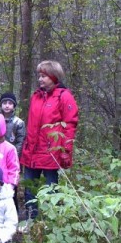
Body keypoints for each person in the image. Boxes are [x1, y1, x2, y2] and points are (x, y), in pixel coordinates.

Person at [20, 60, 79, 219]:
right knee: (30, 189)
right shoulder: (36, 96)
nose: (40, 79)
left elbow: (70, 125)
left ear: (54, 77)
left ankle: (49, 223)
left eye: (44, 76)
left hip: (50, 153)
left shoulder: (64, 96)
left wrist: (66, 151)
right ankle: (31, 221)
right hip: (32, 151)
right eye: (39, 75)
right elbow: (32, 124)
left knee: (50, 190)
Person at [0, 92, 26, 158]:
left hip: (11, 155)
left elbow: (20, 143)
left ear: (14, 106)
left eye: (10, 103)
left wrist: (14, 156)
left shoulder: (18, 123)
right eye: (4, 103)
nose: (7, 106)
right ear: (1, 105)